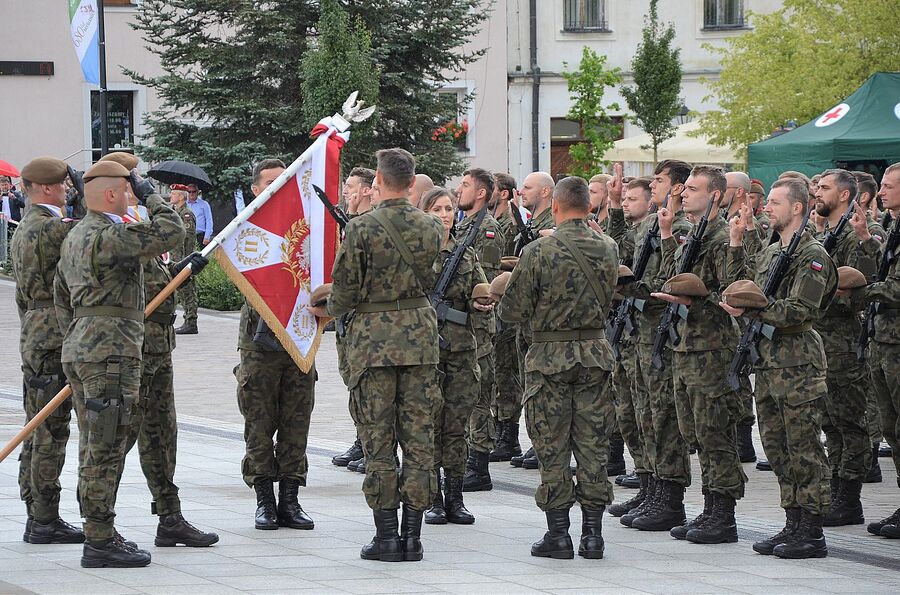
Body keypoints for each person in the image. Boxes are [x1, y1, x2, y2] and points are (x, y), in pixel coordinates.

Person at [54, 159, 184, 567]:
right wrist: (150, 194)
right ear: (111, 194)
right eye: (126, 191)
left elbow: (61, 298)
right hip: (111, 355)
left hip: (85, 347)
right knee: (106, 446)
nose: (132, 197)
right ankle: (99, 540)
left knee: (95, 445)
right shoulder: (108, 235)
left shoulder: (76, 236)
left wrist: (82, 335)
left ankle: (101, 531)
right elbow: (172, 231)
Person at [320, 148, 443, 562]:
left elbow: (346, 290)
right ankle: (414, 536)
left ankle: (386, 536)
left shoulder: (361, 228)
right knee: (420, 439)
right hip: (421, 339)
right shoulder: (431, 227)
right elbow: (429, 277)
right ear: (412, 183)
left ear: (377, 180)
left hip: (372, 342)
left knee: (378, 438)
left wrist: (327, 305)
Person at [498, 175, 619, 560]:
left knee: (552, 446)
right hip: (596, 356)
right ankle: (594, 535)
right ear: (588, 205)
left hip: (550, 358)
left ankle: (559, 535)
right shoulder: (609, 247)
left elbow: (512, 310)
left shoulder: (539, 251)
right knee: (592, 445)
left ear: (558, 205)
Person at [722, 177, 837, 559]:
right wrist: (737, 242)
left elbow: (801, 310)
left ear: (798, 208)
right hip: (768, 361)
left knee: (804, 447)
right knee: (776, 447)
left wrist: (753, 308)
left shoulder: (812, 254)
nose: (766, 207)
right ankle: (792, 520)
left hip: (797, 362)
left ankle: (812, 528)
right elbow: (742, 283)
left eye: (774, 202)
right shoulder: (773, 252)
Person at [652, 166, 747, 543]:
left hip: (711, 349)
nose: (683, 193)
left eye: (692, 189)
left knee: (715, 435)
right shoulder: (691, 234)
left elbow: (731, 291)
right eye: (684, 187)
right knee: (696, 433)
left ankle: (723, 515)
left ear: (716, 196)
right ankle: (708, 509)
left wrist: (694, 298)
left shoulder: (722, 236)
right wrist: (665, 235)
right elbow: (670, 275)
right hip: (685, 346)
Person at [121, 212, 219, 547]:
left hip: (158, 350)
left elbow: (152, 281)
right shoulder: (112, 230)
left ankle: (169, 517)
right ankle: (100, 526)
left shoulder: (135, 220)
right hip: (131, 352)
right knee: (115, 440)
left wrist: (177, 273)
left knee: (162, 433)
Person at [234, 158, 316, 532]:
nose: (277, 187)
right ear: (254, 189)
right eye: (269, 182)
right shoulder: (244, 229)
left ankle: (291, 500)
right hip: (259, 342)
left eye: (282, 181)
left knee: (296, 422)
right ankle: (264, 499)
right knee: (260, 424)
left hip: (297, 339)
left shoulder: (305, 225)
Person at [617, 160, 693, 530]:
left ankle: (669, 496)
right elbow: (624, 257)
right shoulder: (650, 224)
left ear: (676, 188)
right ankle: (649, 486)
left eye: (660, 180)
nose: (655, 184)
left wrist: (631, 287)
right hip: (640, 335)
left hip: (662, 334)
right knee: (640, 416)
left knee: (663, 419)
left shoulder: (679, 228)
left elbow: (668, 282)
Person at [10, 157, 82, 545]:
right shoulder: (51, 227)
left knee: (36, 424)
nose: (70, 190)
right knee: (50, 427)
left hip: (36, 329)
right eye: (66, 185)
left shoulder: (26, 227)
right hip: (52, 333)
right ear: (49, 188)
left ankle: (35, 509)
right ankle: (44, 516)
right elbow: (93, 232)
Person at [417, 187, 489, 522]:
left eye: (448, 209)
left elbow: (480, 290)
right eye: (438, 209)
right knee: (430, 423)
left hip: (460, 349)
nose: (445, 215)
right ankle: (432, 497)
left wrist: (482, 301)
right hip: (425, 350)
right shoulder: (416, 251)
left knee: (457, 424)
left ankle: (455, 497)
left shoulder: (466, 253)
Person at [812, 170, 880, 526]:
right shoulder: (822, 234)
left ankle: (849, 496)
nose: (816, 192)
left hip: (845, 343)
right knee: (831, 423)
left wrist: (864, 238)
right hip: (822, 341)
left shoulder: (858, 235)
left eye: (824, 188)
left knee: (850, 423)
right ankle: (837, 489)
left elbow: (866, 288)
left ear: (844, 195)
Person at [852, 161, 900, 539]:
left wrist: (856, 289)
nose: (881, 192)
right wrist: (868, 240)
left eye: (888, 186)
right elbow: (885, 269)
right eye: (882, 185)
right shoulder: (894, 228)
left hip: (897, 343)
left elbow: (895, 287)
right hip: (883, 340)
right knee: (891, 428)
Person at [454, 168, 506, 493]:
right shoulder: (465, 225)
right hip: (463, 324)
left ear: (482, 193)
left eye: (465, 185)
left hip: (480, 325)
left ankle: (479, 463)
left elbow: (483, 285)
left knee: (480, 393)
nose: (459, 190)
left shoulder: (487, 228)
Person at [506, 172, 557, 469]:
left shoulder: (552, 225)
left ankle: (544, 444)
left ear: (546, 192)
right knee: (529, 382)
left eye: (528, 187)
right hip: (526, 316)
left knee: (542, 386)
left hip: (541, 316)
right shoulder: (533, 222)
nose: (522, 191)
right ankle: (536, 441)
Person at [332, 167, 377, 472]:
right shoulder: (347, 224)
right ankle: (361, 438)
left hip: (361, 316)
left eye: (350, 186)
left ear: (365, 190)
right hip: (345, 316)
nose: (346, 191)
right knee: (351, 381)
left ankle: (370, 443)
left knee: (365, 384)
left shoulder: (366, 226)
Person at [168, 186, 200, 334]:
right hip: (175, 258)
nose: (170, 195)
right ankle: (187, 319)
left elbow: (187, 239)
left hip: (184, 258)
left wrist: (184, 260)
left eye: (173, 193)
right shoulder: (175, 212)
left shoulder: (186, 214)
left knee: (188, 290)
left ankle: (191, 322)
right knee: (181, 291)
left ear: (181, 196)